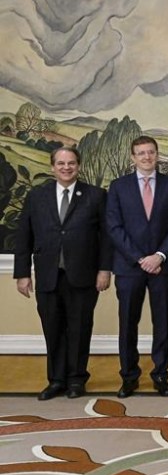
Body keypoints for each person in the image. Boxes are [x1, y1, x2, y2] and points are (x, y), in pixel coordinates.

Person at [13, 147, 112, 400]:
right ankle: (56, 380)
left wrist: (104, 270)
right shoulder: (37, 196)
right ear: (53, 166)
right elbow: (24, 236)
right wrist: (22, 273)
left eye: (71, 163)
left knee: (79, 328)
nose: (66, 167)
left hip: (83, 275)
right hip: (48, 275)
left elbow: (106, 238)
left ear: (78, 165)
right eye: (61, 163)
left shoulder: (96, 195)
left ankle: (77, 380)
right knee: (53, 328)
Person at [106, 136, 168, 398]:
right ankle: (129, 376)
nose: (146, 157)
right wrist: (141, 258)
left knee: (162, 322)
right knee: (128, 323)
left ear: (156, 154)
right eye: (141, 153)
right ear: (133, 157)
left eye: (150, 152)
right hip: (129, 268)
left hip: (163, 266)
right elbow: (114, 228)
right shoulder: (118, 187)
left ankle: (161, 375)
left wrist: (159, 256)